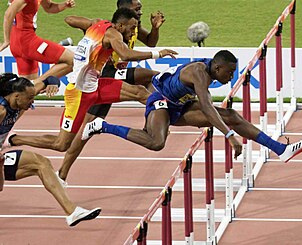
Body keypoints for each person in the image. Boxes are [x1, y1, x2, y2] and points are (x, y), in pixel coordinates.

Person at [6, 8, 177, 171]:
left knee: (139, 92)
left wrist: (86, 30)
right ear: (120, 26)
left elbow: (70, 19)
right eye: (132, 28)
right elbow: (126, 54)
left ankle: (159, 124)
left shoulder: (97, 24)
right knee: (61, 144)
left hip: (96, 85)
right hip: (79, 93)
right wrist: (158, 54)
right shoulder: (114, 34)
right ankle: (15, 139)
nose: (134, 32)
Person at [82, 50, 302, 163]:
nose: (231, 78)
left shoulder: (210, 69)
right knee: (156, 142)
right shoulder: (200, 73)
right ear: (219, 68)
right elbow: (208, 107)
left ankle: (280, 150)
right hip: (160, 101)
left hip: (181, 105)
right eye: (229, 73)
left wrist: (227, 126)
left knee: (231, 114)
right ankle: (102, 126)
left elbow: (207, 105)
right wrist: (230, 135)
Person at [56, 0, 165, 181]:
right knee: (86, 130)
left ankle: (158, 119)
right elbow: (71, 19)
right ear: (124, 11)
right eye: (137, 8)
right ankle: (62, 172)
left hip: (117, 73)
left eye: (140, 8)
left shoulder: (132, 26)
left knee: (146, 83)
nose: (140, 11)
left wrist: (155, 28)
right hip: (106, 73)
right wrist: (89, 28)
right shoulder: (112, 30)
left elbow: (150, 42)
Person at [0, 73, 101, 226]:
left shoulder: (23, 92)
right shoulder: (1, 111)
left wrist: (54, 84)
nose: (32, 102)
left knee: (42, 163)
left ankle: (73, 212)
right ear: (16, 97)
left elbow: (50, 79)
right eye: (29, 99)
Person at [0, 0, 75, 80]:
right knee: (73, 60)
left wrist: (64, 5)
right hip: (27, 42)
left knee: (27, 90)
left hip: (18, 43)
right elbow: (8, 14)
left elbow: (49, 7)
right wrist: (6, 40)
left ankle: (35, 85)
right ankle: (40, 83)